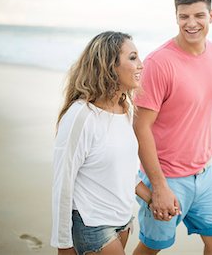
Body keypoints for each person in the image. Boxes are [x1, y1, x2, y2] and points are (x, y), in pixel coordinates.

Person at [133, 0, 212, 255]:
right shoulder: (158, 63)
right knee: (152, 248)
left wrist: (208, 151)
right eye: (184, 16)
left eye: (199, 15)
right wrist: (160, 186)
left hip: (206, 173)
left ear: (211, 15)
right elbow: (140, 127)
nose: (191, 23)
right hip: (167, 177)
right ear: (176, 17)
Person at [51, 31, 152, 255]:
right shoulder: (81, 116)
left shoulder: (126, 110)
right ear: (109, 66)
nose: (141, 65)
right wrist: (63, 244)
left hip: (123, 220)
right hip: (92, 223)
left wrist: (151, 198)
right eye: (133, 57)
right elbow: (63, 183)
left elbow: (122, 170)